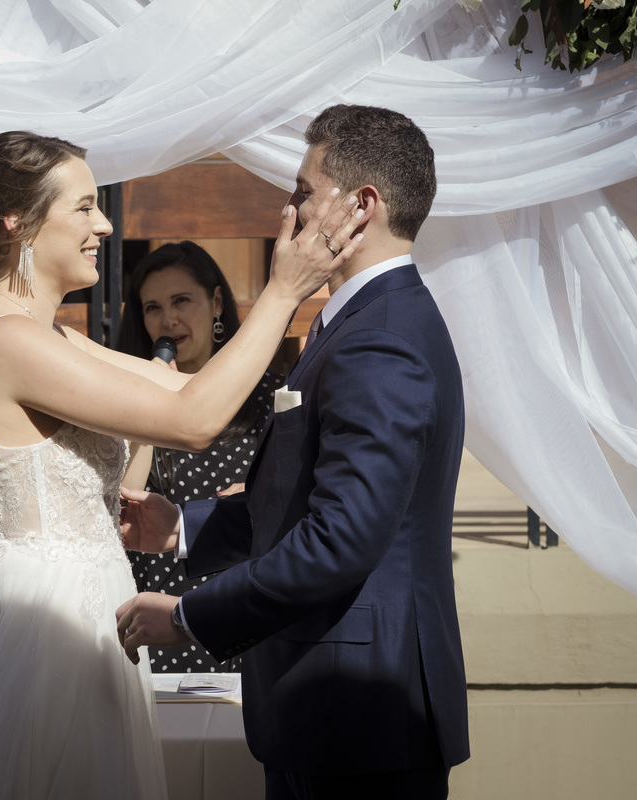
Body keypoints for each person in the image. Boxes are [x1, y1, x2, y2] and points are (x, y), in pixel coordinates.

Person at [0, 130, 364, 799]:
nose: (103, 224)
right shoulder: (8, 341)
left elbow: (191, 388)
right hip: (43, 624)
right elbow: (192, 422)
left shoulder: (53, 337)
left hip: (89, 603)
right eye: (83, 207)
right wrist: (280, 292)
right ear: (20, 220)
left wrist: (321, 327)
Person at [116, 105, 470, 800]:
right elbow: (302, 503)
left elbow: (340, 540)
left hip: (360, 713)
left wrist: (190, 617)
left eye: (304, 191)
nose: (290, 209)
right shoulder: (361, 324)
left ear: (361, 206)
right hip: (325, 712)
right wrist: (180, 527)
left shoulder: (382, 340)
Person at [115, 241, 281, 673]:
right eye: (152, 308)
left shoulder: (269, 397)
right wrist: (152, 401)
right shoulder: (128, 398)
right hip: (159, 621)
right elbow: (122, 496)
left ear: (217, 302)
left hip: (244, 622)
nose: (168, 319)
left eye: (181, 301)